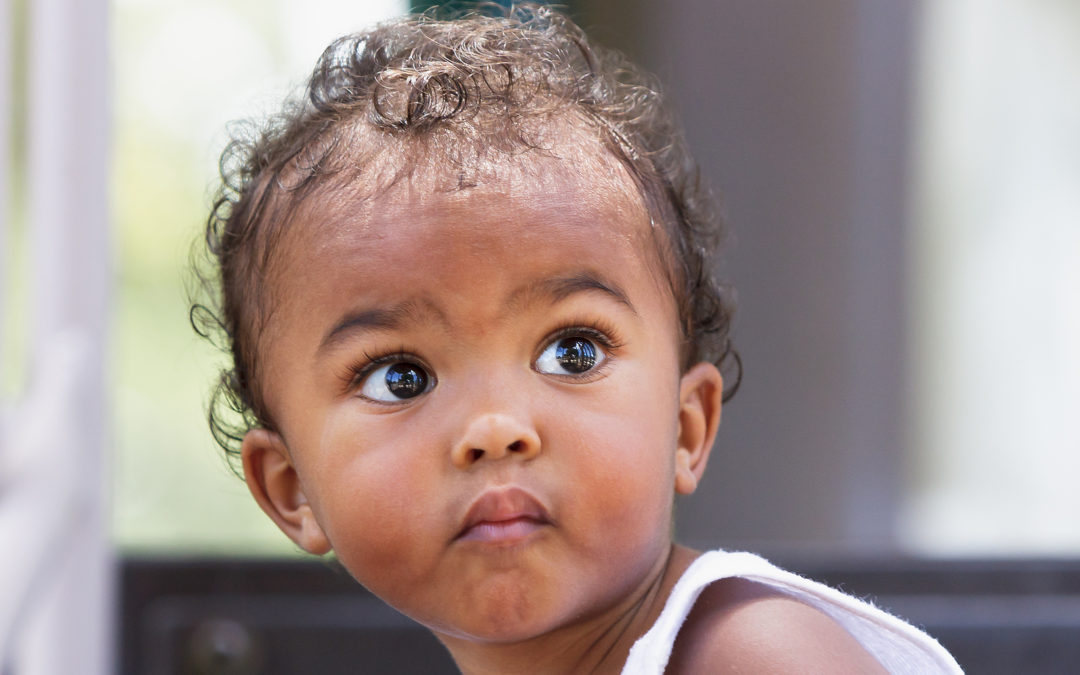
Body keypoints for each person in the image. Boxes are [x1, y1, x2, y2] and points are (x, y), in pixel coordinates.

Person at [191, 5, 961, 673]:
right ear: (291, 488)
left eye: (573, 352)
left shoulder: (753, 651)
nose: (496, 430)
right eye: (401, 376)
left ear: (686, 428)